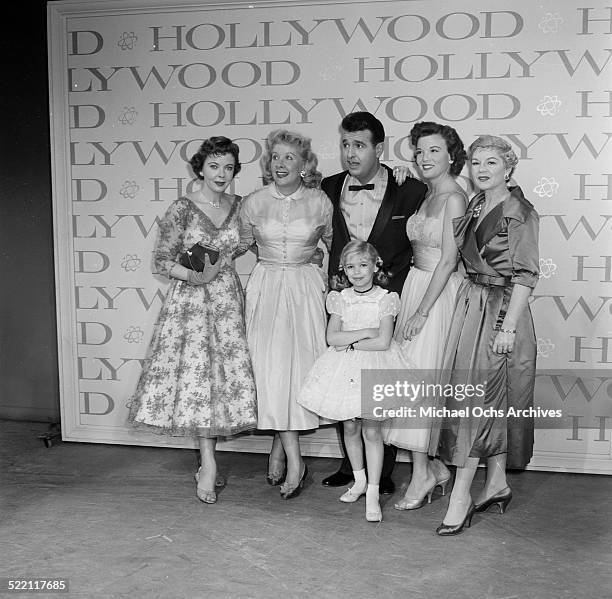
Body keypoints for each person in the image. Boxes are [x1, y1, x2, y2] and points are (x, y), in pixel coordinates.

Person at [129, 136, 257, 504]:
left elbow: (252, 242)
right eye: (214, 166)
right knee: (199, 380)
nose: (222, 174)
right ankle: (208, 463)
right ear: (200, 168)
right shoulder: (182, 209)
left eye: (229, 167)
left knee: (224, 380)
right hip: (191, 306)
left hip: (228, 303)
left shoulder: (242, 206)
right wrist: (193, 276)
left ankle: (209, 461)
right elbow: (161, 260)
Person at [429, 135, 540, 535]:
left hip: (501, 311)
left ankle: (461, 494)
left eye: (491, 162)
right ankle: (495, 483)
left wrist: (507, 327)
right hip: (472, 304)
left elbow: (526, 276)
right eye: (476, 162)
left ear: (508, 168)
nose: (482, 169)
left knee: (477, 404)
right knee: (481, 400)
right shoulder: (476, 203)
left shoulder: (519, 211)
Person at [320, 111, 427, 495]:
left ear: (379, 148)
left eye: (360, 145)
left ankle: (383, 472)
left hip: (388, 298)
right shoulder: (327, 187)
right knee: (343, 376)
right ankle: (351, 468)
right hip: (343, 297)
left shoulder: (410, 190)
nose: (351, 153)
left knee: (380, 382)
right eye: (346, 144)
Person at [239, 129, 333, 500]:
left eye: (289, 157)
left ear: (304, 164)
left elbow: (333, 246)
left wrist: (322, 265)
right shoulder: (253, 202)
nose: (280, 164)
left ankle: (282, 449)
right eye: (275, 157)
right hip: (265, 289)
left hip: (304, 290)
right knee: (270, 371)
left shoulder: (320, 202)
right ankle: (293, 457)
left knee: (298, 370)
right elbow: (241, 243)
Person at [382, 122, 468, 510]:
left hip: (436, 293)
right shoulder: (426, 193)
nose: (424, 158)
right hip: (417, 283)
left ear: (452, 155)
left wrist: (421, 311)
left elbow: (449, 260)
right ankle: (432, 467)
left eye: (434, 151)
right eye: (419, 151)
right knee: (414, 382)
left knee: (419, 385)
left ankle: (421, 475)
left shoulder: (453, 197)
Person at [298, 241, 411, 521]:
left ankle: (373, 490)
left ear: (376, 265)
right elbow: (331, 338)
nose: (357, 272)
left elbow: (383, 342)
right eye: (350, 267)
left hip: (375, 367)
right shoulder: (340, 298)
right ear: (343, 270)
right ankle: (358, 480)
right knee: (349, 427)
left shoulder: (386, 298)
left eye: (363, 265)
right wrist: (366, 331)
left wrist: (350, 343)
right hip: (344, 371)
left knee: (372, 432)